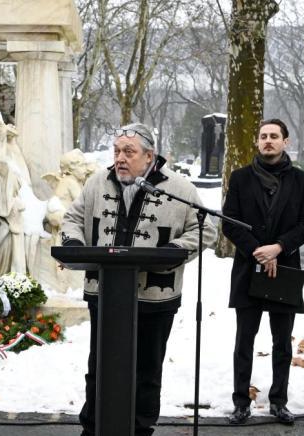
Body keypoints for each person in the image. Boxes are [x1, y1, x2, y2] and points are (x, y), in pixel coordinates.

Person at [60, 122, 217, 436]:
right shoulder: (97, 182)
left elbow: (205, 230)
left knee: (147, 372)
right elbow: (73, 218)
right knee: (99, 367)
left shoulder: (179, 188)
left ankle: (140, 429)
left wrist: (174, 251)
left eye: (129, 152)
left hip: (155, 299)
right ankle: (93, 428)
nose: (120, 158)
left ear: (149, 156)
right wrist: (74, 244)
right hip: (104, 294)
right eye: (117, 151)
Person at [221, 118, 304, 426]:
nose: (268, 140)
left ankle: (279, 401)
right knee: (243, 342)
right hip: (249, 269)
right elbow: (229, 221)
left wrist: (278, 248)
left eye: (274, 136)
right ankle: (240, 403)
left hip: (284, 270)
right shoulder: (240, 178)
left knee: (282, 343)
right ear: (257, 141)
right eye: (263, 136)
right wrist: (258, 251)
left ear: (285, 141)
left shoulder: (301, 180)